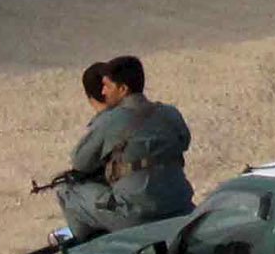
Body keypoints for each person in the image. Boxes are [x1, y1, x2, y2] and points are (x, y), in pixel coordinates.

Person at [53, 57, 193, 238]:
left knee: (68, 190)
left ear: (123, 89)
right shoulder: (170, 113)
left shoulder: (111, 119)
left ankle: (88, 247)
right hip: (179, 204)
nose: (103, 91)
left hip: (137, 215)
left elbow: (81, 162)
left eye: (107, 86)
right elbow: (184, 142)